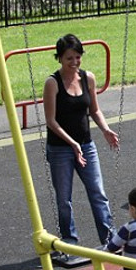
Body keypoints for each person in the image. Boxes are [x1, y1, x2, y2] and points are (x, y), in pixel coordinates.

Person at [43, 33, 118, 246]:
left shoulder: (88, 78)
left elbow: (94, 110)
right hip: (60, 148)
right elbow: (51, 121)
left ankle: (109, 239)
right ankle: (69, 242)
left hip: (86, 145)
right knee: (64, 200)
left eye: (78, 57)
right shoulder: (52, 83)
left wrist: (105, 129)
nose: (74, 62)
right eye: (69, 58)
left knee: (98, 193)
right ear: (59, 58)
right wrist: (72, 143)